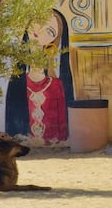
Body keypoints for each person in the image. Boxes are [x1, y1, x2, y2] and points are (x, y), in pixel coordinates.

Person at [6, 8, 74, 145]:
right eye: (39, 22)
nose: (41, 30)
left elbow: (62, 129)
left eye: (50, 31)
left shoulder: (56, 86)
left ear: (53, 41)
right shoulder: (17, 82)